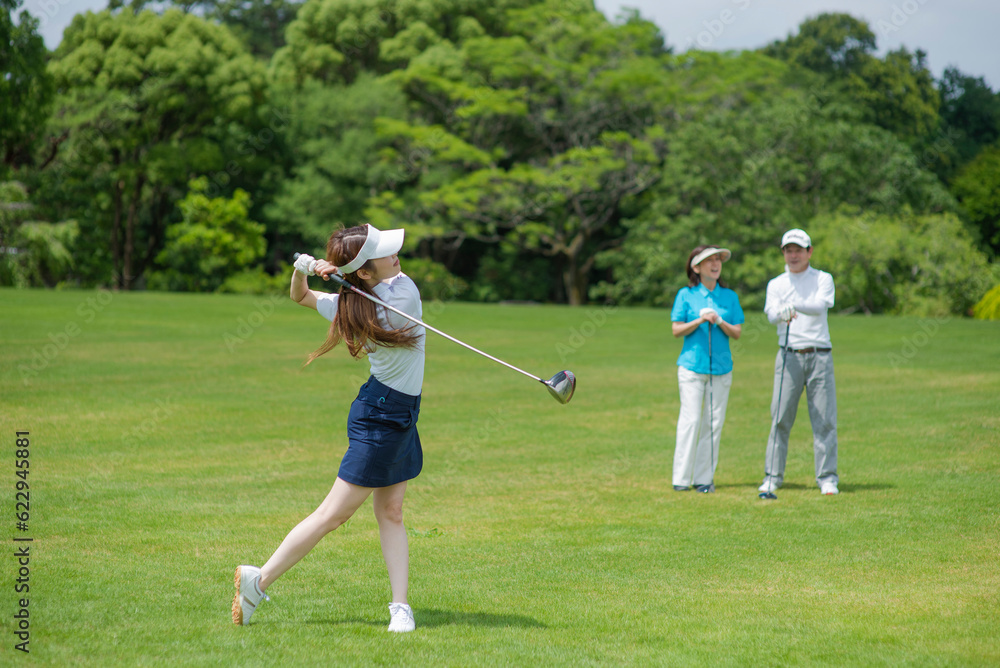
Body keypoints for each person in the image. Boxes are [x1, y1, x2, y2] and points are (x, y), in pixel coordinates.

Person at [232, 223, 425, 633]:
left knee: (391, 511)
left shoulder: (356, 303)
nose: (396, 256)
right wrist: (320, 269)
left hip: (397, 412)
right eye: (384, 254)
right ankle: (257, 582)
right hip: (381, 416)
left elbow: (303, 296)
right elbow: (313, 294)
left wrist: (308, 270)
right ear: (365, 272)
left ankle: (400, 606)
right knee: (332, 515)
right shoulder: (391, 297)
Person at [758, 228, 839, 496]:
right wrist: (782, 312)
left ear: (809, 252)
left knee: (824, 420)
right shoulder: (776, 284)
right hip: (788, 355)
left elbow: (821, 305)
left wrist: (793, 304)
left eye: (798, 250)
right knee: (780, 418)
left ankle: (827, 478)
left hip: (820, 355)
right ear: (783, 253)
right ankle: (772, 477)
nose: (793, 255)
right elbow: (771, 315)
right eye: (788, 250)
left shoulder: (823, 278)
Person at [670, 245, 744, 493]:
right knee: (691, 421)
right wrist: (700, 320)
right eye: (709, 260)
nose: (715, 264)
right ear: (696, 267)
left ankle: (704, 479)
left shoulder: (729, 297)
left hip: (721, 370)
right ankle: (681, 479)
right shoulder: (685, 295)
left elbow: (737, 332)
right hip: (692, 367)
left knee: (713, 423)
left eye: (718, 260)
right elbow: (676, 329)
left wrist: (719, 320)